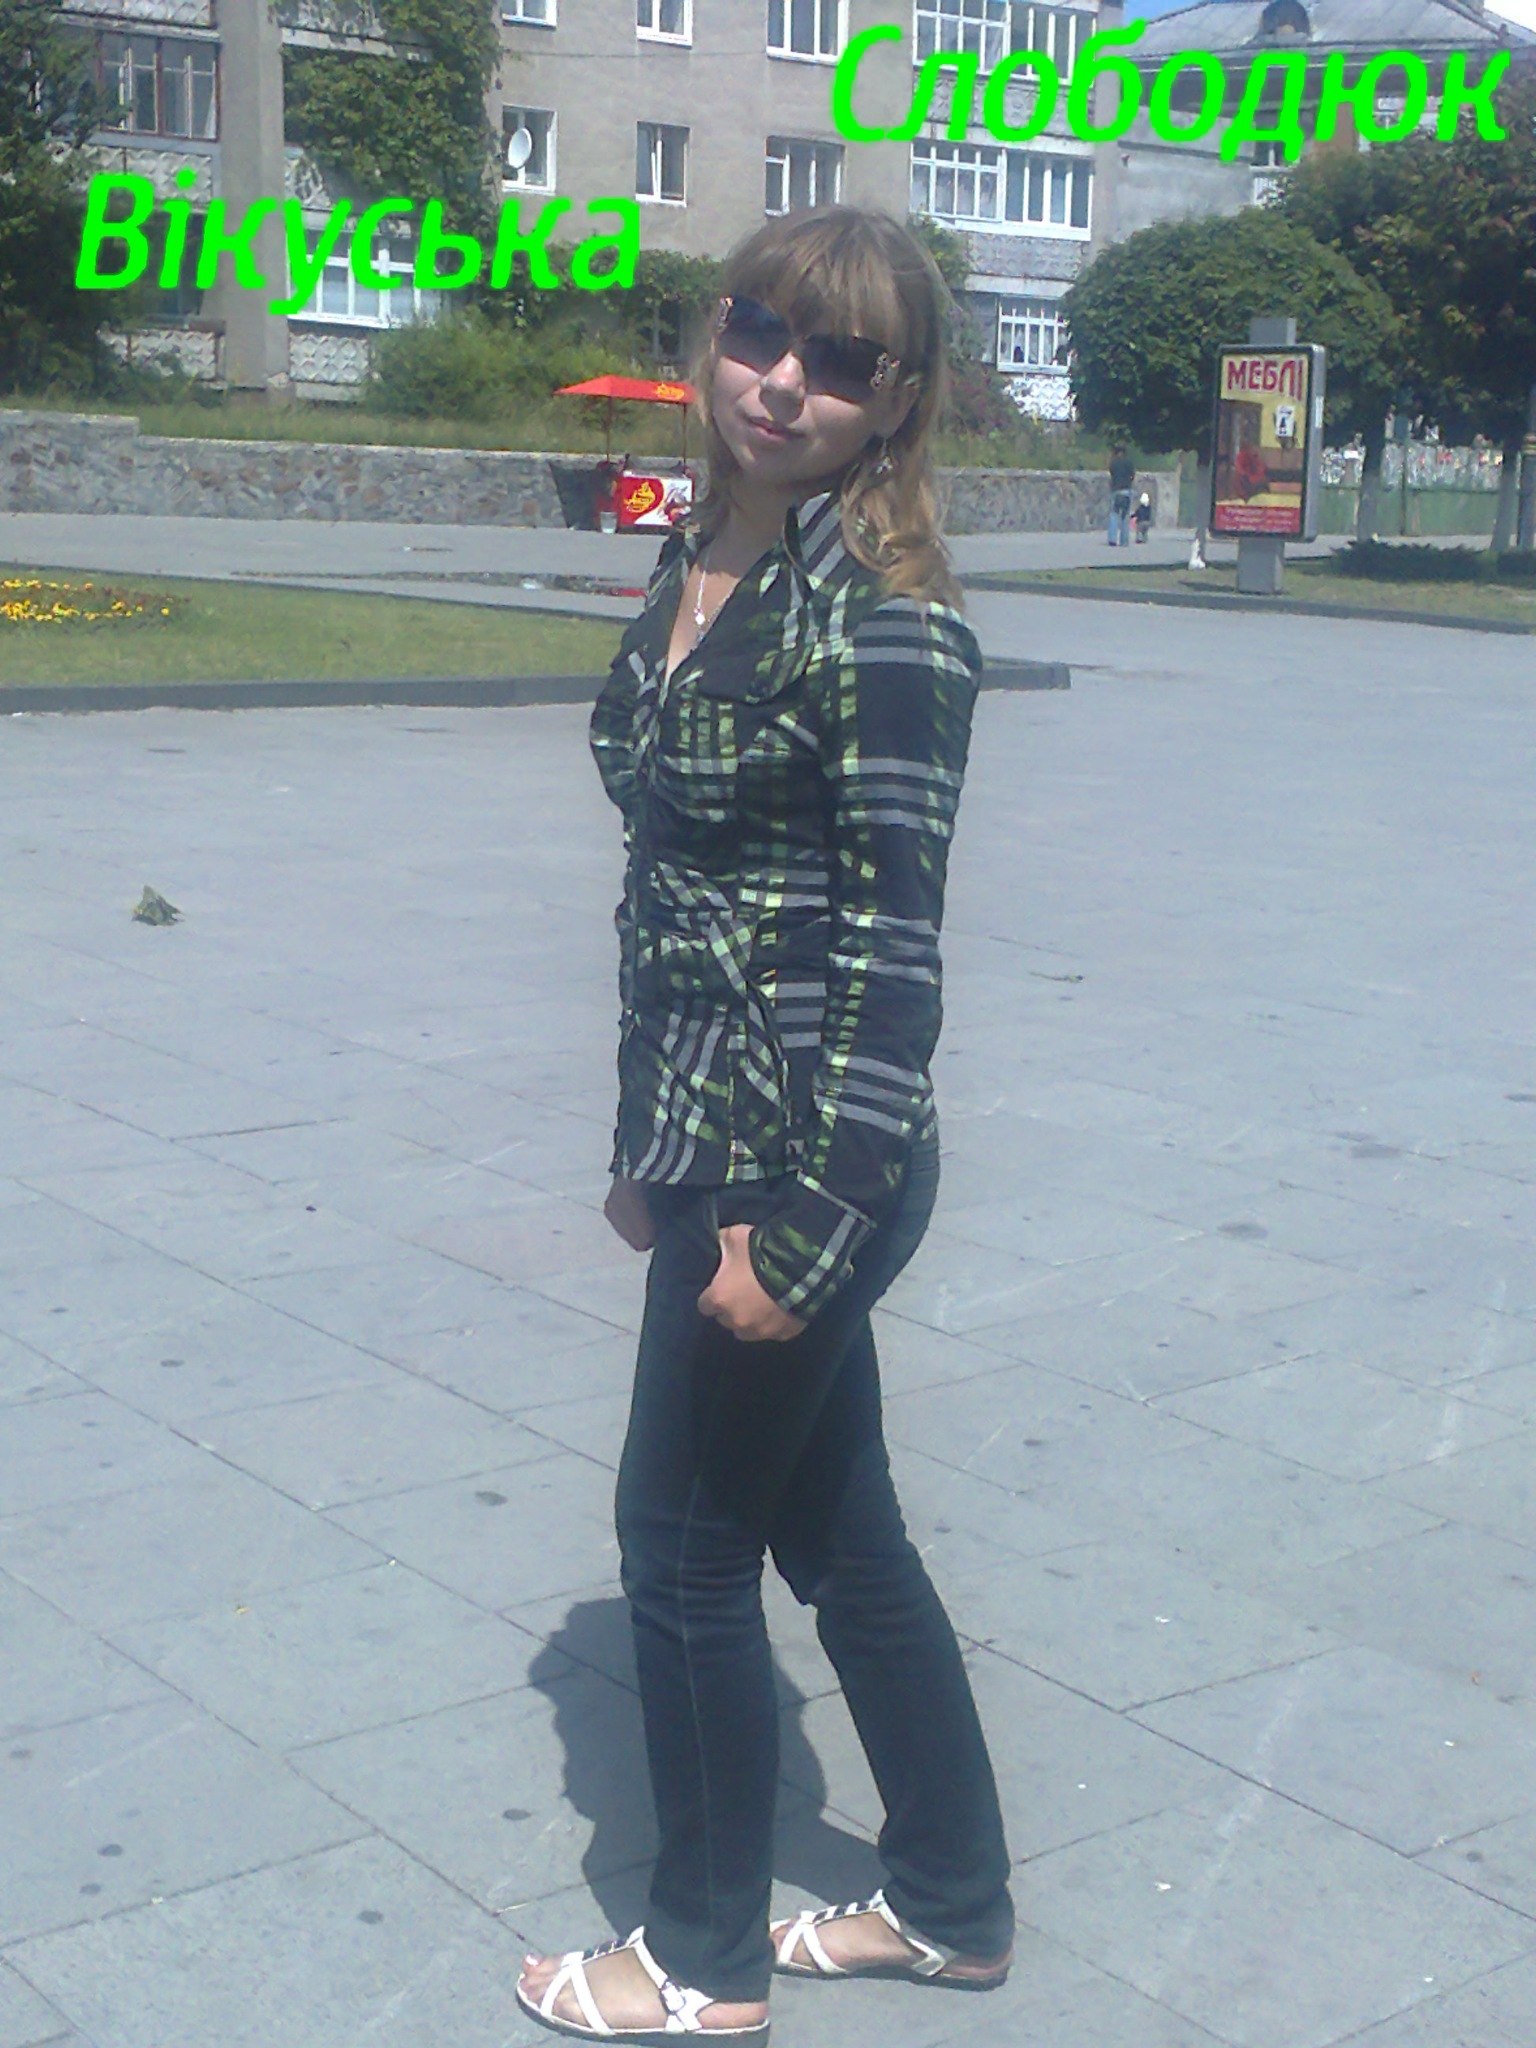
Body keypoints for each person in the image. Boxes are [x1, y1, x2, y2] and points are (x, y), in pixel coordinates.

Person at [516, 205, 1014, 2043]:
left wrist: (804, 1231)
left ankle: (699, 1957)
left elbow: (894, 957)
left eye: (840, 360)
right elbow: (676, 895)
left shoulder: (892, 624)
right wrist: (643, 1147)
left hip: (804, 1163)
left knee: (679, 1554)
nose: (783, 380)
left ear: (898, 401)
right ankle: (950, 1903)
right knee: (843, 1540)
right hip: (710, 1142)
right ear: (711, 334)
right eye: (757, 332)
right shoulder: (704, 560)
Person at [1107, 442, 1135, 546]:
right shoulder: (1129, 463)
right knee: (1125, 516)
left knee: (1114, 514)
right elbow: (1132, 476)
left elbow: (1112, 474)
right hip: (1126, 491)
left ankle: (1112, 539)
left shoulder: (1113, 463)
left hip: (1116, 491)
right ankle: (1124, 540)